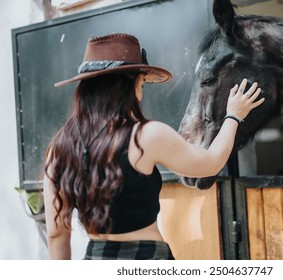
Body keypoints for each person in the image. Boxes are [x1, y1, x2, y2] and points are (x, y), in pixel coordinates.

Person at [43, 33, 265, 260]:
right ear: (130, 85)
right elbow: (210, 163)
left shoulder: (58, 149)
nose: (141, 89)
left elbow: (56, 234)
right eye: (141, 81)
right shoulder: (147, 135)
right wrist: (233, 117)